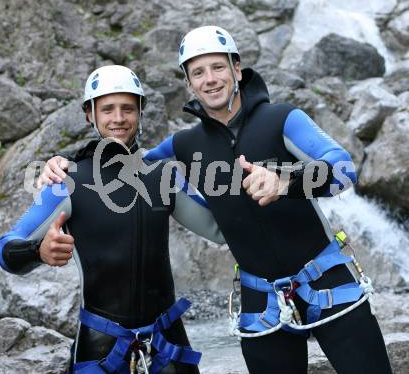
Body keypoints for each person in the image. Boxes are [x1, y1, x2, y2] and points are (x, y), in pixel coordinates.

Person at [40, 27, 392, 373]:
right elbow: (119, 159)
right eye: (198, 72)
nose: (210, 79)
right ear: (189, 84)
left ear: (236, 69)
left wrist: (286, 181)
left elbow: (344, 169)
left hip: (329, 284)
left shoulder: (282, 119)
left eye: (218, 67)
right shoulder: (183, 146)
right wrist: (65, 162)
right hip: (261, 304)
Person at [0, 65, 226, 374]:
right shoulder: (66, 181)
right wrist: (38, 250)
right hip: (100, 348)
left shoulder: (163, 177)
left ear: (141, 111)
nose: (118, 118)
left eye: (127, 108)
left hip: (167, 343)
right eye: (108, 109)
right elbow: (6, 251)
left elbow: (221, 230)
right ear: (90, 114)